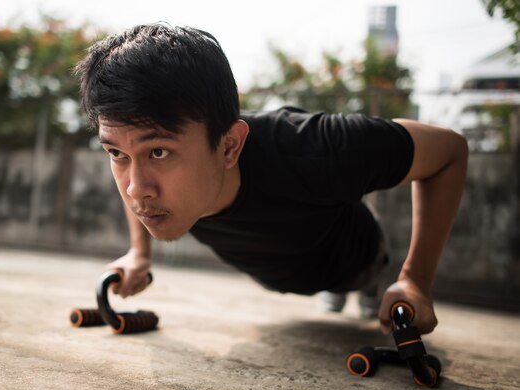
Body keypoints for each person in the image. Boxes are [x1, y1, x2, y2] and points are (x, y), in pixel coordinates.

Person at [75, 23, 468, 335]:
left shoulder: (319, 147)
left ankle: (366, 286)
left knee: (362, 291)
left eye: (158, 152)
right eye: (117, 155)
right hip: (278, 271)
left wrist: (416, 280)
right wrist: (139, 253)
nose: (135, 188)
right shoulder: (155, 185)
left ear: (229, 147)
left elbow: (449, 151)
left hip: (354, 258)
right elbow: (135, 177)